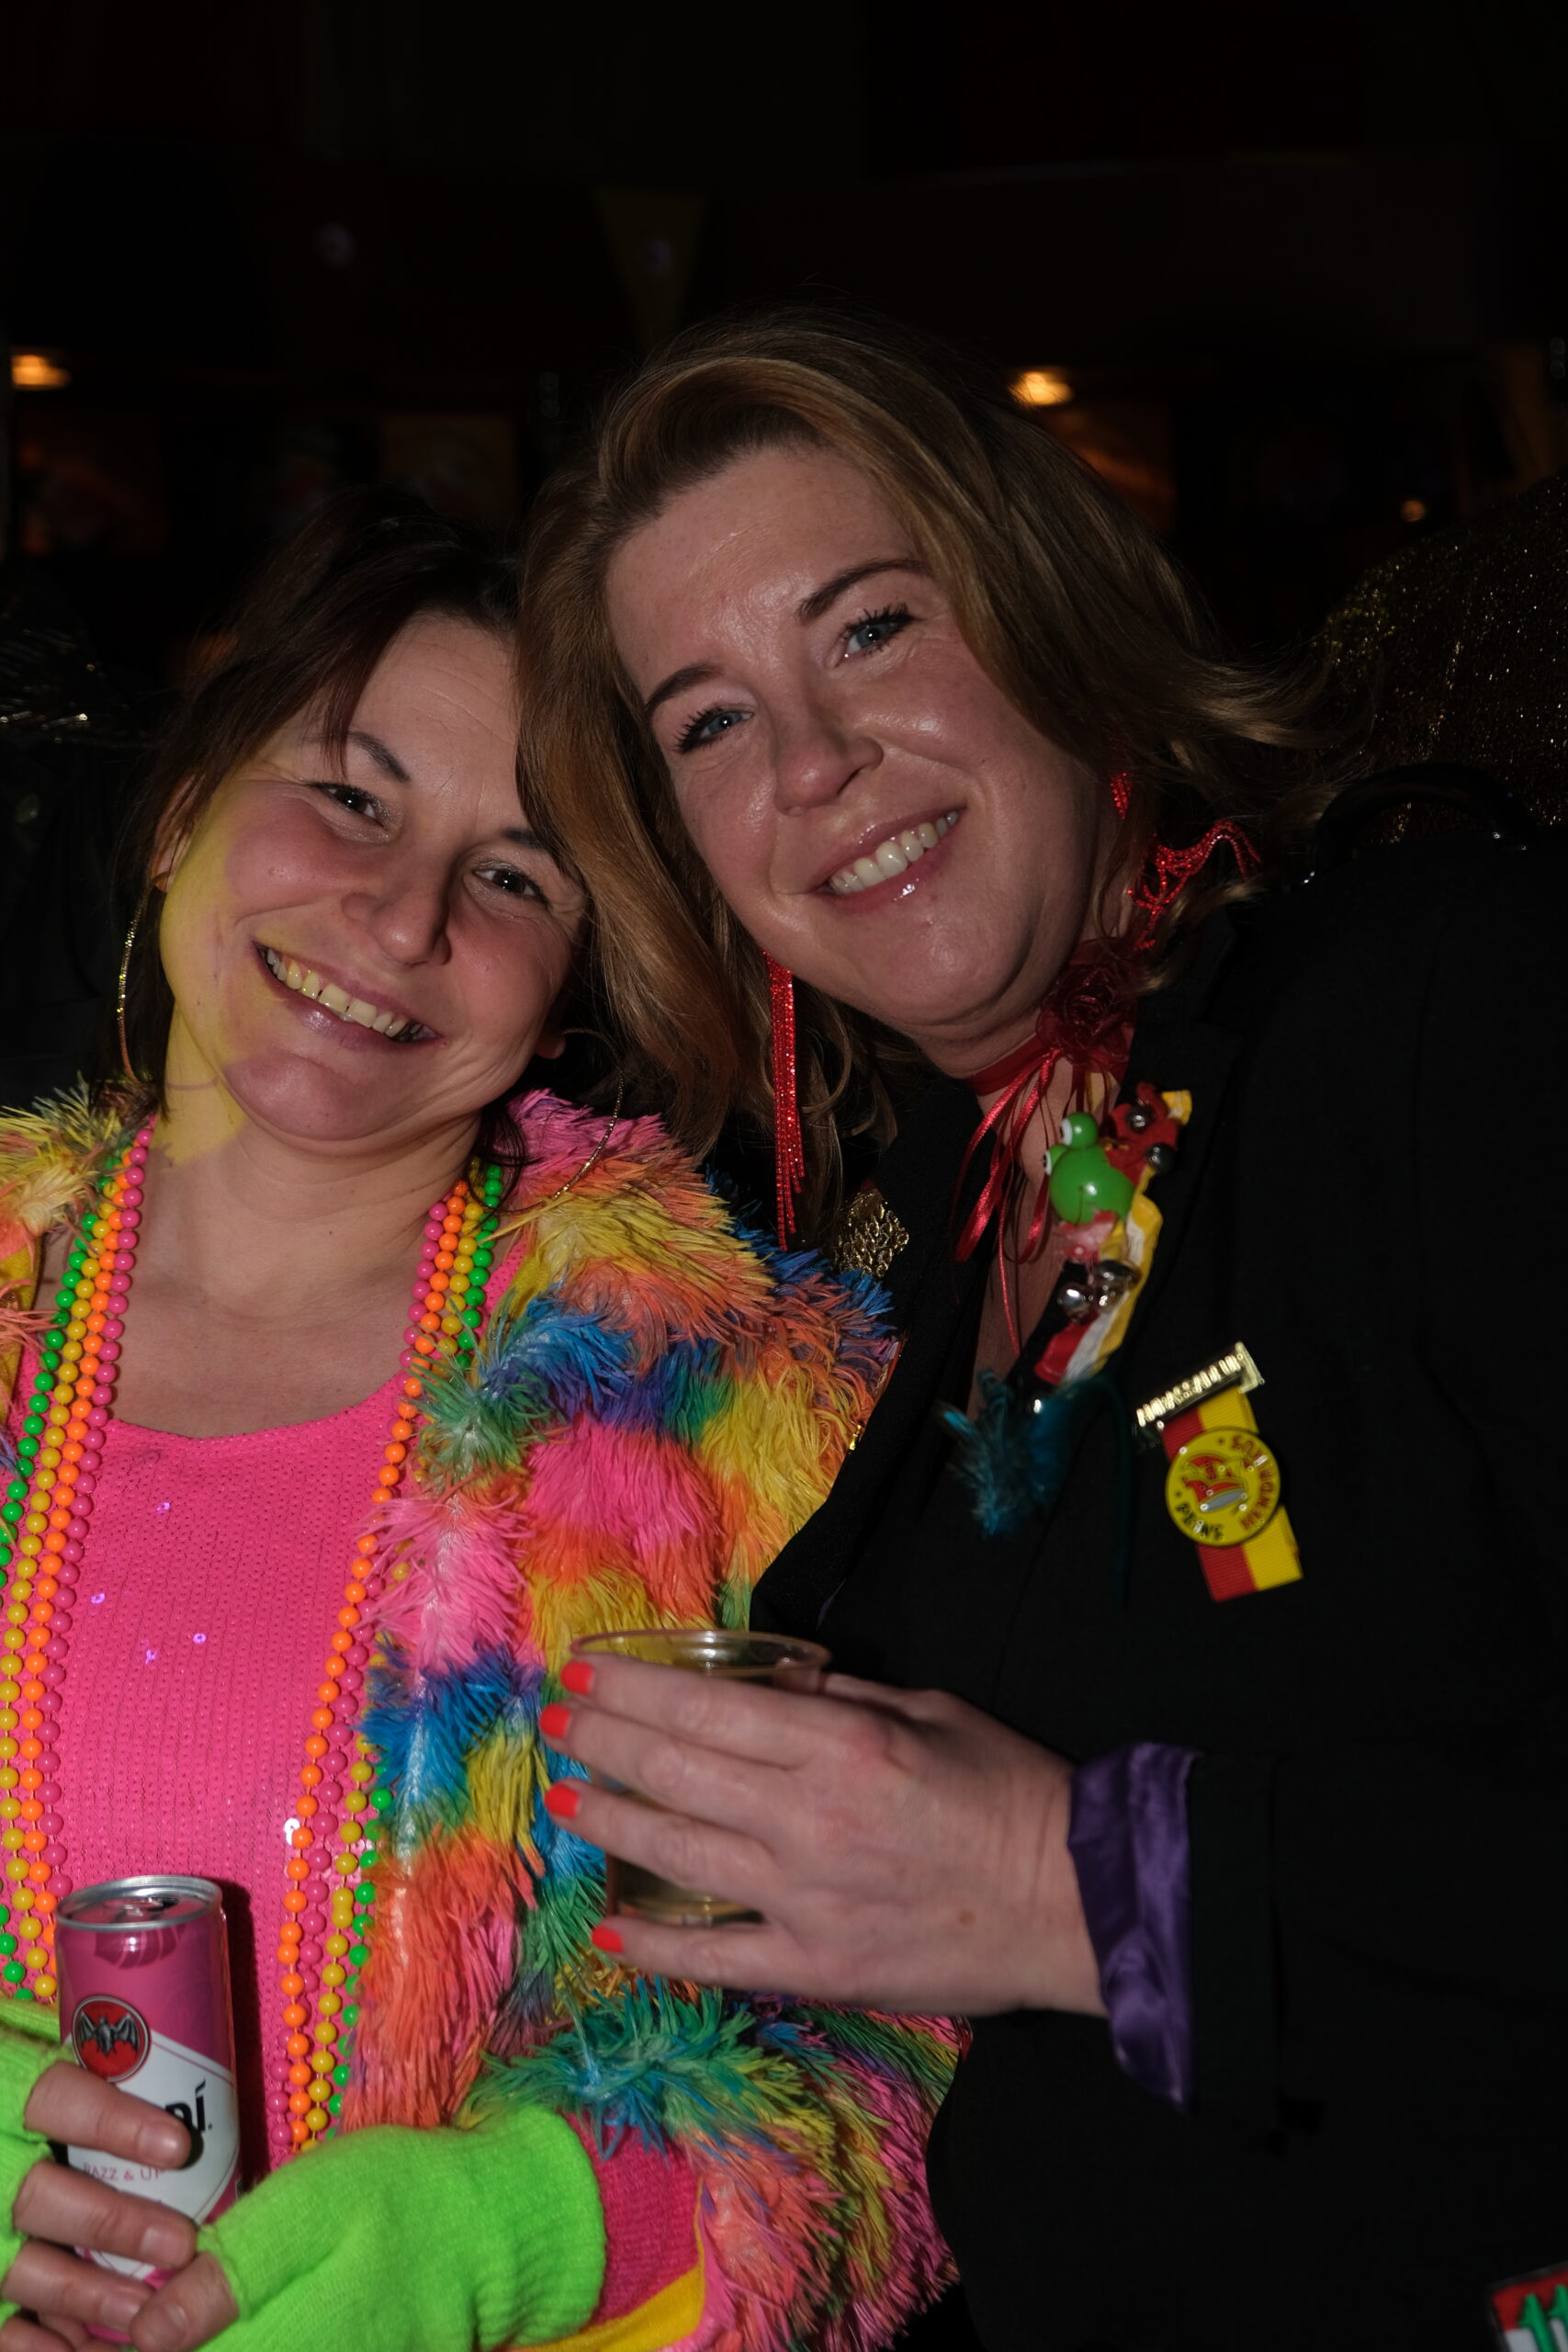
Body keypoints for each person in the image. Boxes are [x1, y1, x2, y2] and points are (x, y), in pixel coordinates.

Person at [515, 309, 1568, 2352]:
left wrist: (1079, 1884)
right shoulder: (900, 1241)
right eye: (709, 724)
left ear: (1052, 613)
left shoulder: (1445, 1003)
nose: (810, 763)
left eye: (871, 627)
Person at [0, 486, 957, 2352]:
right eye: (350, 797)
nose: (402, 914)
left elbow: (903, 2039)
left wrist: (511, 2231)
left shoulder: (722, 1422)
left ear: (575, 979)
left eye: (515, 875)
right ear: (186, 807)